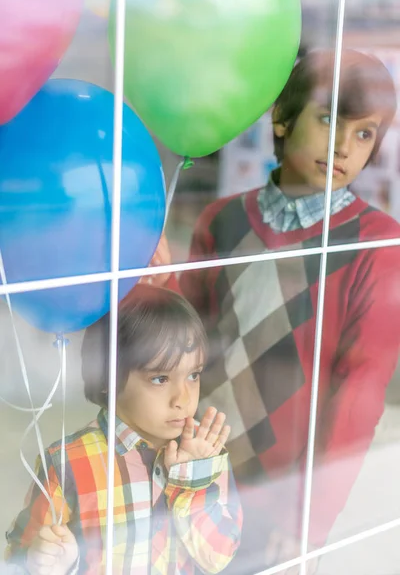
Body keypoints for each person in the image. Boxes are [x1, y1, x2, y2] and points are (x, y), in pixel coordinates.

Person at [145, 49, 400, 574]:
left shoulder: (380, 245)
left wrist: (311, 518)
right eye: (328, 119)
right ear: (281, 119)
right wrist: (159, 283)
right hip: (197, 460)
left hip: (284, 489)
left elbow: (358, 391)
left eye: (364, 133)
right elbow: (188, 340)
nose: (344, 147)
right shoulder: (222, 219)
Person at [5, 285, 243, 575]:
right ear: (107, 376)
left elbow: (219, 558)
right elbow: (19, 557)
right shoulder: (67, 463)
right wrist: (42, 560)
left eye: (193, 375)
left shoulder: (206, 457)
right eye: (160, 378)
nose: (183, 399)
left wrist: (191, 480)